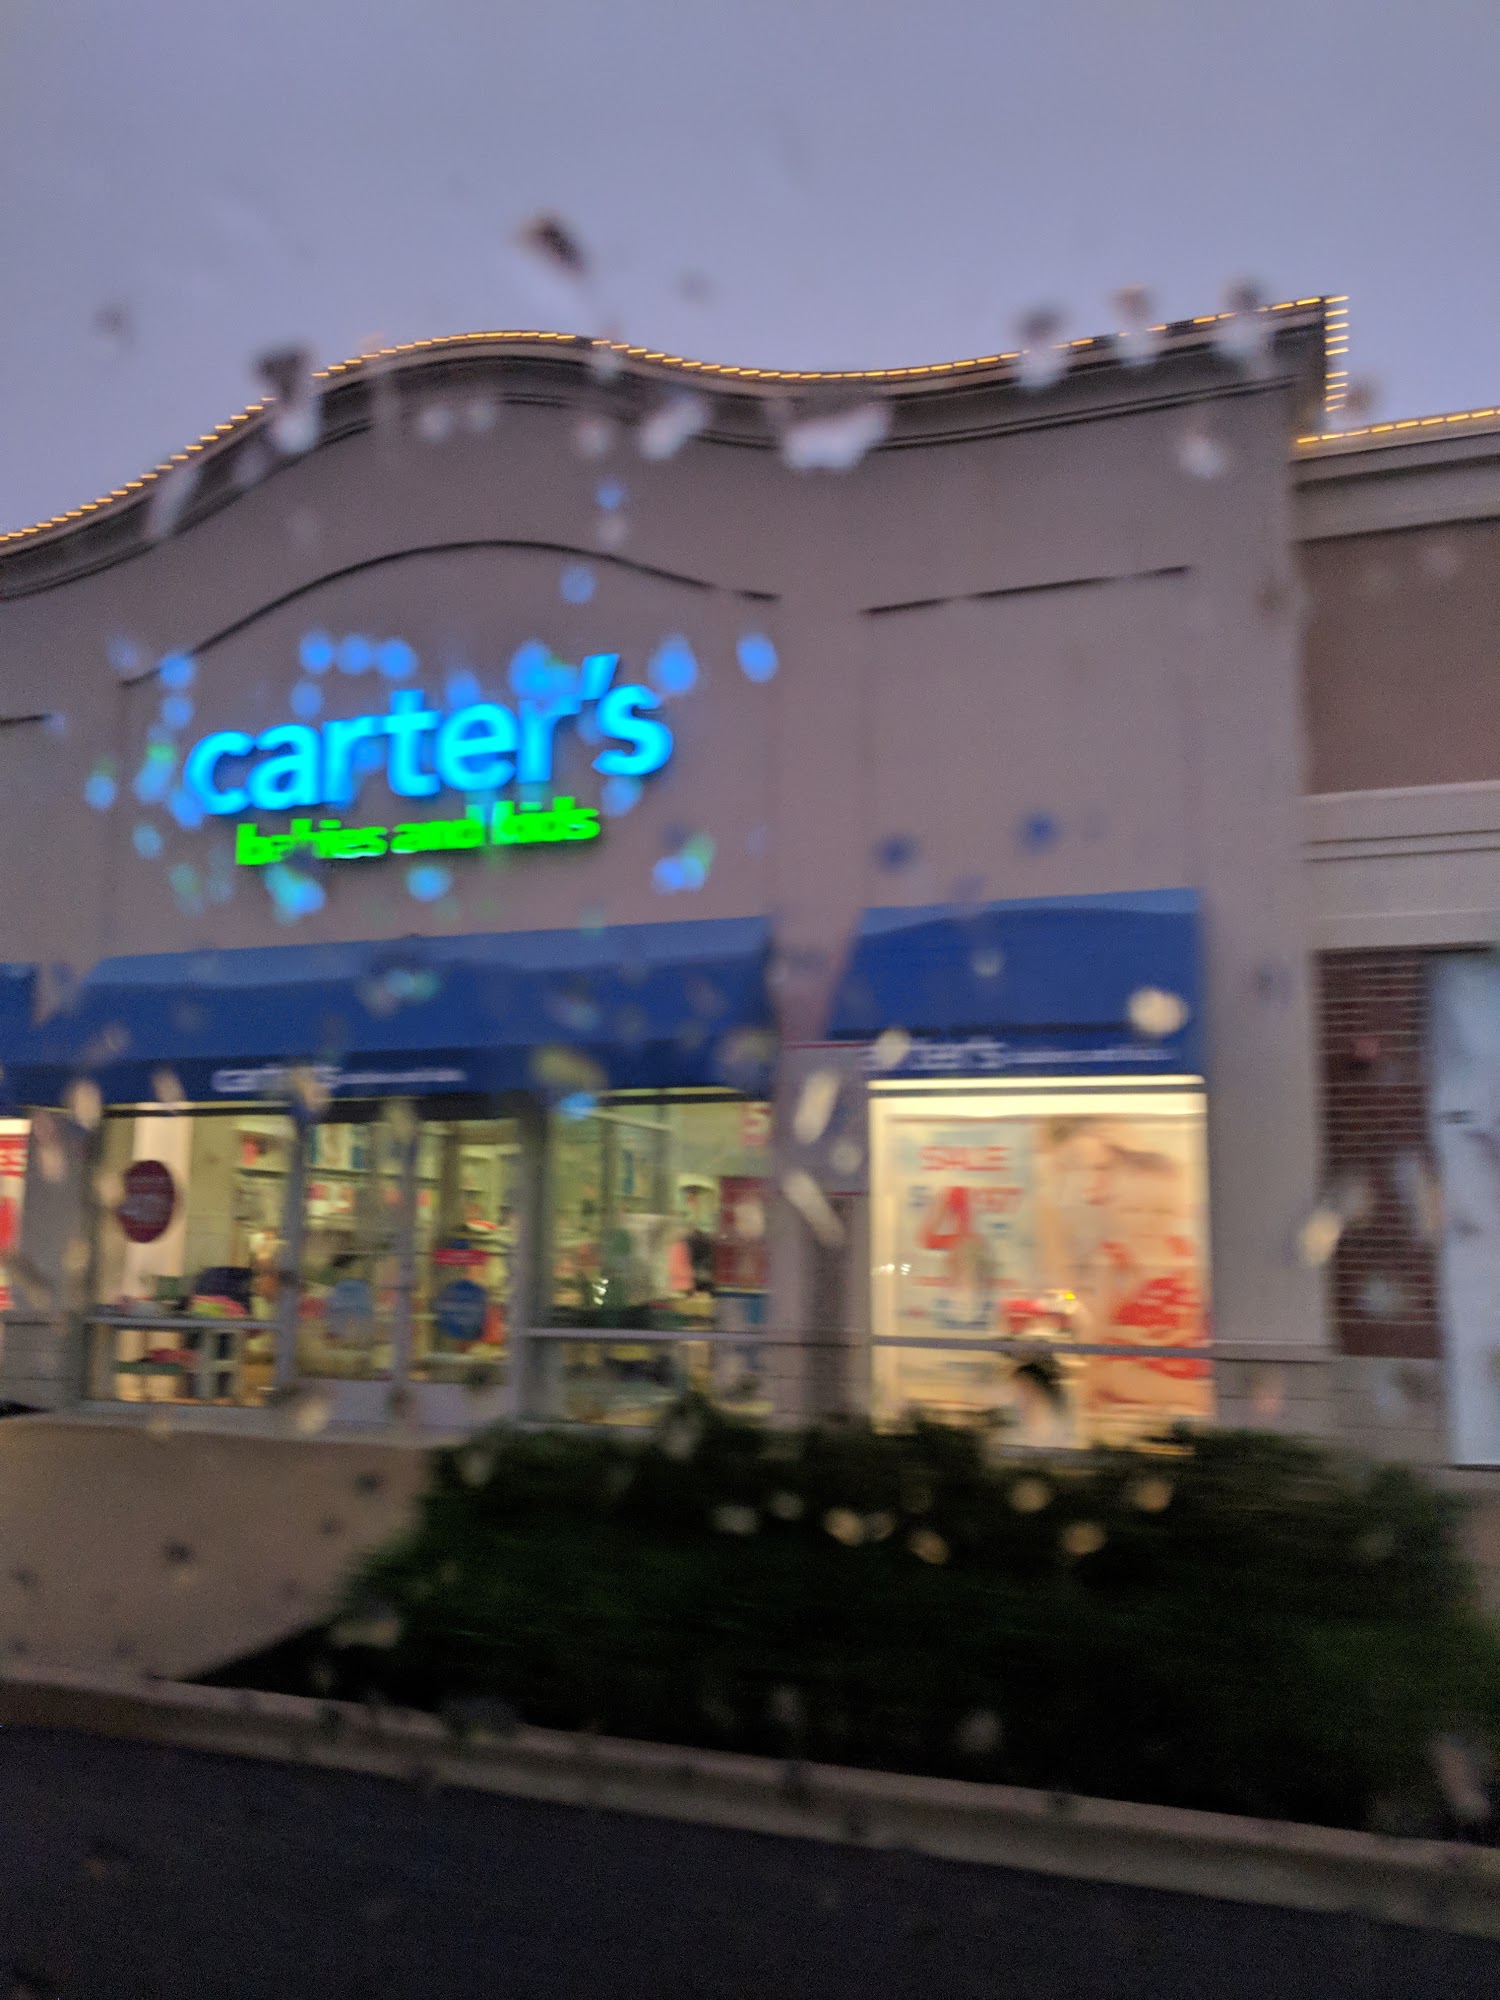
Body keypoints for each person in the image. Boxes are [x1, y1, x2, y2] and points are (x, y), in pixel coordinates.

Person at [1084, 1146, 1212, 1439]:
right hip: (1131, 1364)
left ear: (1179, 1208)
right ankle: (1190, 1395)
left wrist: (1187, 1333)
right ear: (1115, 1208)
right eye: (1133, 1210)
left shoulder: (1184, 1252)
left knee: (1203, 1380)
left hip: (1178, 1360)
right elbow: (1094, 1329)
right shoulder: (1114, 1261)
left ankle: (1186, 1396)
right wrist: (1086, 1389)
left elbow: (1196, 1309)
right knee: (1119, 1376)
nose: (1147, 1220)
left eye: (1162, 1210)